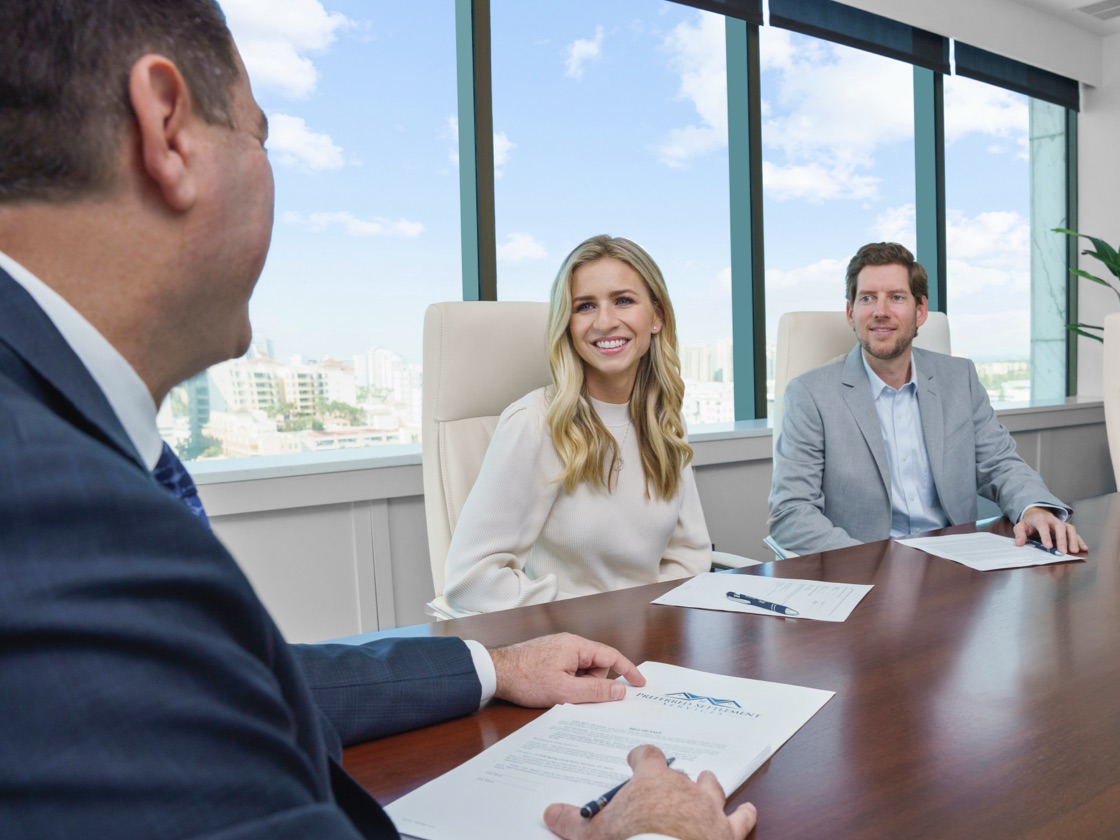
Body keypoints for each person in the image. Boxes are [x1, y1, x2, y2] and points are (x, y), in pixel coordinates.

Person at [0, 3, 753, 839]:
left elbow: (249, 680)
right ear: (167, 127)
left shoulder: (70, 442)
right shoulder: (41, 491)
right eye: (262, 136)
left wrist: (492, 664)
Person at [440, 235, 712, 614]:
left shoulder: (665, 418)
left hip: (653, 635)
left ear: (657, 316)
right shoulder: (534, 423)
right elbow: (471, 581)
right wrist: (604, 620)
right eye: (585, 306)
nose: (604, 321)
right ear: (566, 324)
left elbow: (689, 554)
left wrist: (653, 621)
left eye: (623, 300)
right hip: (567, 643)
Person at [768, 241, 1088, 556]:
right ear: (851, 312)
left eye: (896, 297)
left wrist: (1034, 508)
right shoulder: (810, 394)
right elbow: (792, 512)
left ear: (920, 311)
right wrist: (871, 565)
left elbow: (1000, 465)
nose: (880, 311)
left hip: (957, 567)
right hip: (867, 573)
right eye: (867, 298)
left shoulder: (958, 378)